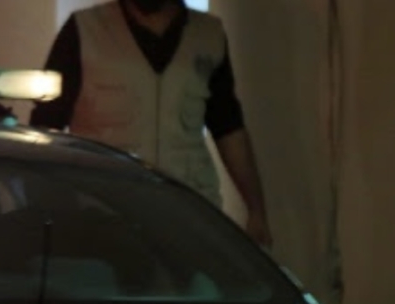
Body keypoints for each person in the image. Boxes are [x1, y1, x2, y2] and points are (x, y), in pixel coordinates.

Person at [30, 0, 272, 247]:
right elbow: (46, 129)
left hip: (190, 216)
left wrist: (256, 210)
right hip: (105, 216)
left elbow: (228, 127)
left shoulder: (209, 35)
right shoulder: (84, 30)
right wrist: (45, 205)